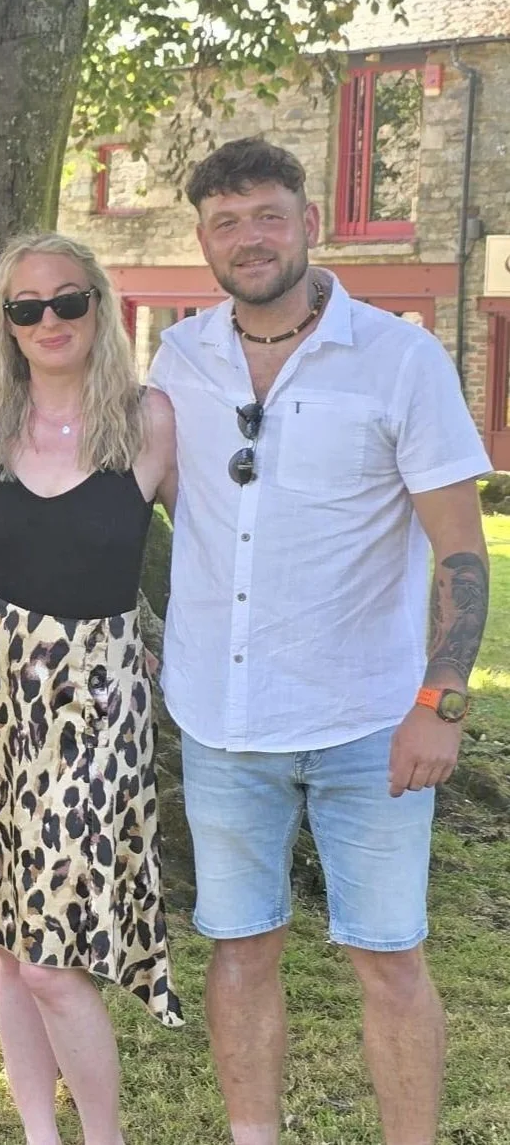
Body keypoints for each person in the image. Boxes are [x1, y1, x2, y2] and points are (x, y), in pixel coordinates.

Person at [150, 137, 491, 1145]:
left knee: (389, 957)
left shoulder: (400, 358)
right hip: (221, 719)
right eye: (225, 222)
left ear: (307, 220)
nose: (248, 237)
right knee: (238, 948)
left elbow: (460, 550)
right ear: (202, 240)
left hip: (367, 722)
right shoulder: (178, 358)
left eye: (266, 214)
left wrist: (440, 701)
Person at [0, 231, 182, 1145]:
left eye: (68, 299)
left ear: (99, 305)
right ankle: (39, 1133)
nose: (49, 319)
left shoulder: (148, 420)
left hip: (95, 698)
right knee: (5, 940)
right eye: (26, 307)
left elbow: (215, 551)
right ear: (6, 321)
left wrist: (162, 641)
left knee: (52, 962)